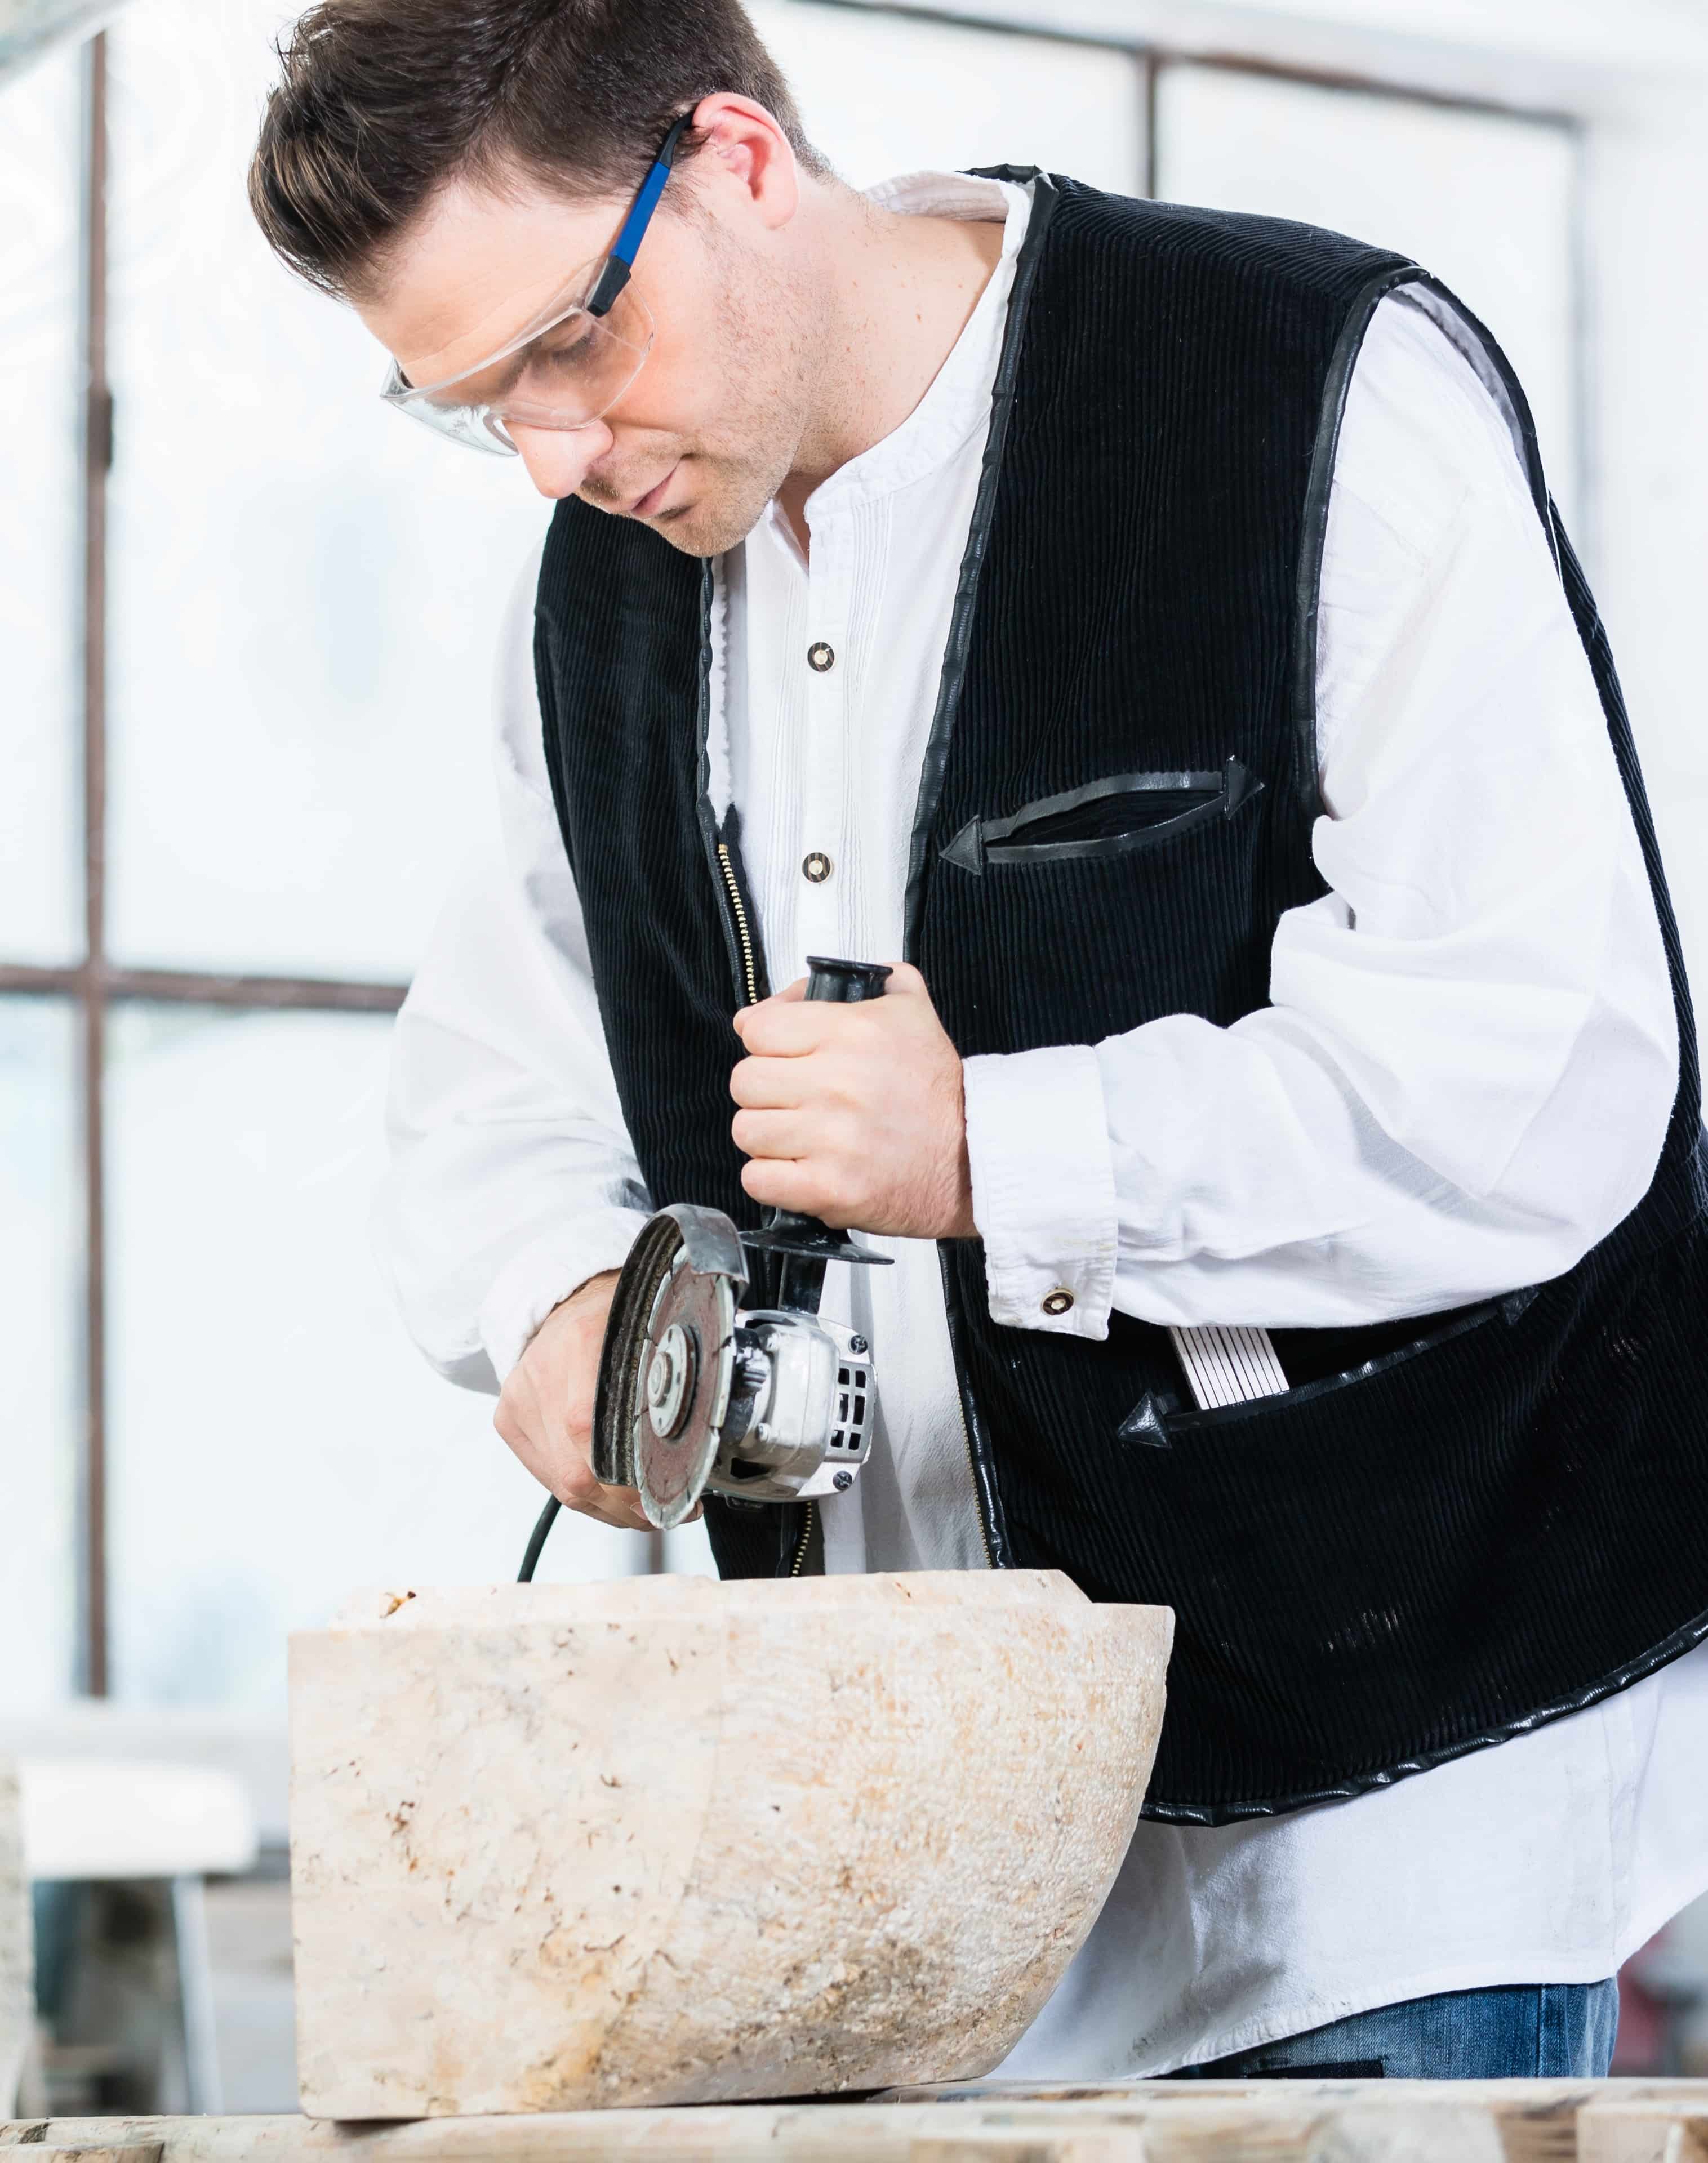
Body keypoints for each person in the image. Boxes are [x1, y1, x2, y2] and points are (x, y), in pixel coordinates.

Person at [248, 0, 1708, 2082]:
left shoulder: (1312, 389)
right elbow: (498, 1070)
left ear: (736, 159)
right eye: (472, 403)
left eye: (569, 344)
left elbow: (1547, 1074)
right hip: (892, 1888)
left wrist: (1000, 1149)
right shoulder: (594, 588)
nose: (554, 454)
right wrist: (558, 1289)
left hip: (1369, 1839)